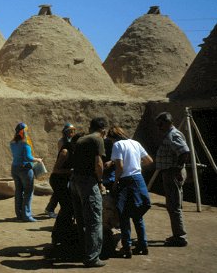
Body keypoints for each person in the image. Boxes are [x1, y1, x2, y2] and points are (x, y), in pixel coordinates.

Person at [108, 126, 153, 258]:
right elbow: (149, 160)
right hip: (138, 179)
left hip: (125, 181)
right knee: (138, 214)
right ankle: (143, 245)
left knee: (124, 215)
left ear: (113, 137)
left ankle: (127, 248)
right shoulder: (135, 143)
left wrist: (116, 182)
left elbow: (120, 167)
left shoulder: (117, 145)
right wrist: (136, 166)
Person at [69, 117, 107, 268]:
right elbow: (98, 164)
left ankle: (82, 251)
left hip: (75, 181)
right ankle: (92, 257)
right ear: (103, 130)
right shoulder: (97, 139)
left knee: (81, 219)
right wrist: (100, 182)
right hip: (87, 182)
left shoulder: (81, 139)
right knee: (94, 220)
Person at [154, 112, 190, 247]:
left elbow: (184, 152)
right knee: (174, 205)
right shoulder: (170, 134)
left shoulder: (173, 134)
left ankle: (180, 237)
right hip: (171, 172)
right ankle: (178, 234)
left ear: (168, 122)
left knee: (174, 206)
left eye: (160, 124)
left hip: (172, 172)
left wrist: (176, 169)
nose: (159, 127)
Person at [49, 130, 82, 250]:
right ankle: (57, 235)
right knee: (67, 207)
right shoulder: (65, 151)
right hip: (58, 181)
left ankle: (63, 234)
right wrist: (71, 171)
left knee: (69, 208)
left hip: (65, 180)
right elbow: (56, 170)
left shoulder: (74, 151)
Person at [10, 122, 43, 222]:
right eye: (26, 130)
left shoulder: (12, 143)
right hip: (25, 169)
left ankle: (19, 215)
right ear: (23, 132)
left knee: (18, 191)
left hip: (15, 168)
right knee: (28, 192)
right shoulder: (25, 143)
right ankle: (27, 215)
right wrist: (38, 160)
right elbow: (28, 157)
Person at [45, 123, 76, 218]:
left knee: (60, 192)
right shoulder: (63, 142)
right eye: (71, 131)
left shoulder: (71, 141)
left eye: (73, 131)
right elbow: (63, 153)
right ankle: (50, 209)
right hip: (62, 169)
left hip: (65, 170)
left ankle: (50, 208)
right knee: (60, 193)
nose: (72, 133)